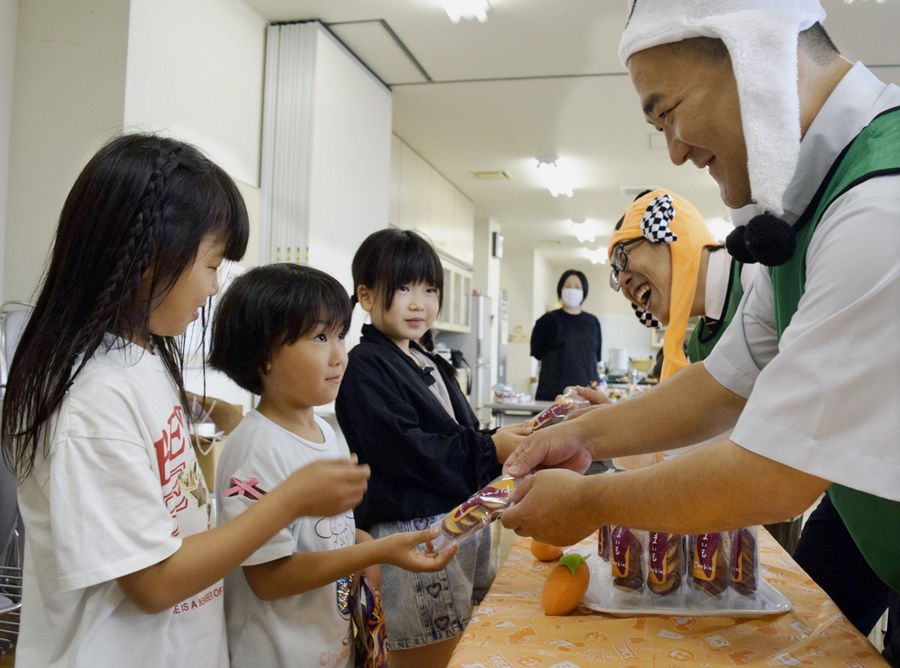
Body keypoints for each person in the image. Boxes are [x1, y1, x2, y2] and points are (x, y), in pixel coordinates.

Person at [501, 1, 900, 662]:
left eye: (669, 112)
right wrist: (576, 434)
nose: (677, 151)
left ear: (759, 54)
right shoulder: (806, 212)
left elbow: (775, 475)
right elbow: (725, 384)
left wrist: (592, 503)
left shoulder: (878, 210)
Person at [0, 134, 371, 667]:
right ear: (152, 258)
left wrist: (209, 412)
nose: (215, 287)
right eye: (213, 264)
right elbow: (152, 583)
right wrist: (288, 501)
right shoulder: (92, 400)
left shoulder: (141, 357)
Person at [207, 263, 455, 667]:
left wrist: (363, 543)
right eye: (320, 337)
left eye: (340, 335)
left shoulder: (326, 432)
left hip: (330, 647)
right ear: (263, 354)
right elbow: (268, 578)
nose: (340, 355)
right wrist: (375, 552)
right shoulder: (254, 448)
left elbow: (324, 535)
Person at [335, 228, 531, 668]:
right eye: (403, 288)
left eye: (429, 289)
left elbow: (461, 433)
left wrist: (496, 447)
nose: (419, 302)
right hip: (413, 536)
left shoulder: (429, 360)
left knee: (462, 644)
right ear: (366, 296)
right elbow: (412, 450)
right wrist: (490, 449)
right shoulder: (365, 367)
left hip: (454, 531)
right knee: (431, 655)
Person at [530, 269, 603, 400]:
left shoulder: (593, 322)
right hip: (551, 397)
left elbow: (595, 358)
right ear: (560, 290)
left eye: (577, 287)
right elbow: (537, 352)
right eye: (568, 286)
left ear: (584, 292)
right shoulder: (546, 321)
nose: (572, 290)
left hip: (585, 396)